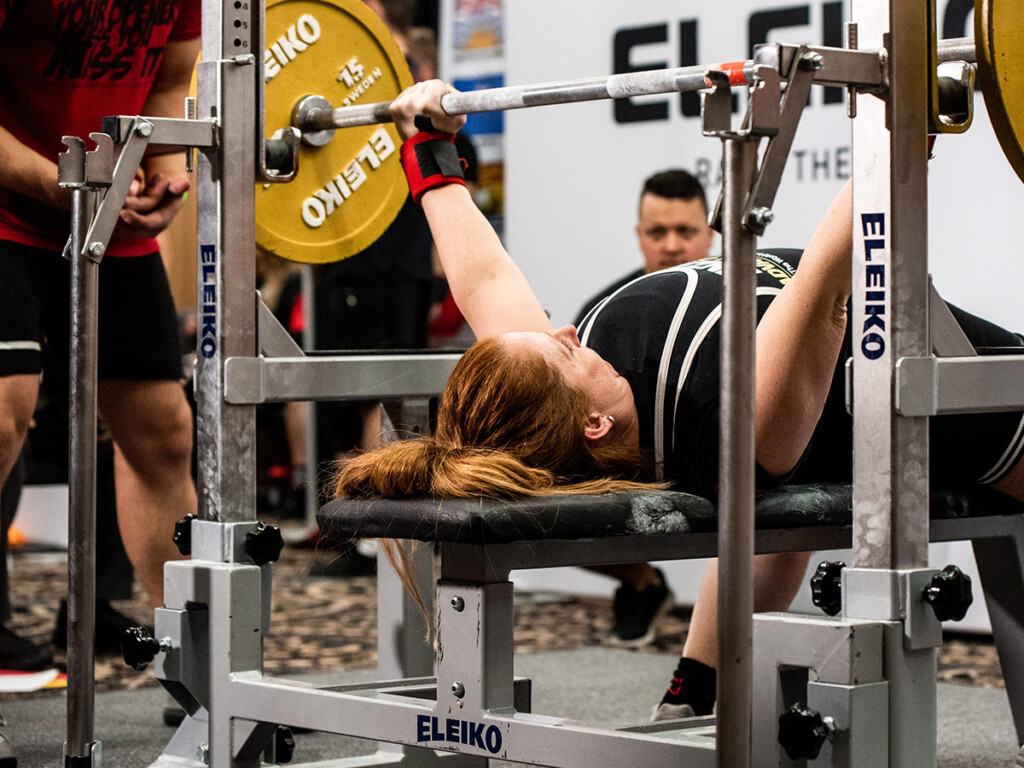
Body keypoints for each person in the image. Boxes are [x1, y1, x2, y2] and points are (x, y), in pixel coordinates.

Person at [334, 80, 1024, 722]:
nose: (565, 332)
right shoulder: (731, 419)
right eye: (564, 352)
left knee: (770, 521)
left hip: (871, 387)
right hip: (970, 410)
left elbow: (484, 278)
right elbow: (823, 286)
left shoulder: (550, 401)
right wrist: (904, 122)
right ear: (595, 422)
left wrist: (429, 146)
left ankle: (691, 694)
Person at [0, 1, 201, 747]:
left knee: (163, 432)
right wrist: (66, 184)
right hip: (10, 208)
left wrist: (165, 169)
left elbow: (169, 80)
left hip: (105, 214)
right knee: (3, 412)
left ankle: (196, 670)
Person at [575, 169, 715, 648]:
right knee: (538, 495)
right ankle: (642, 583)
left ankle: (727, 642)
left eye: (686, 231)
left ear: (711, 234)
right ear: (639, 236)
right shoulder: (602, 311)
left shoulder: (746, 302)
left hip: (732, 459)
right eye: (658, 232)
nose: (672, 245)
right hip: (636, 464)